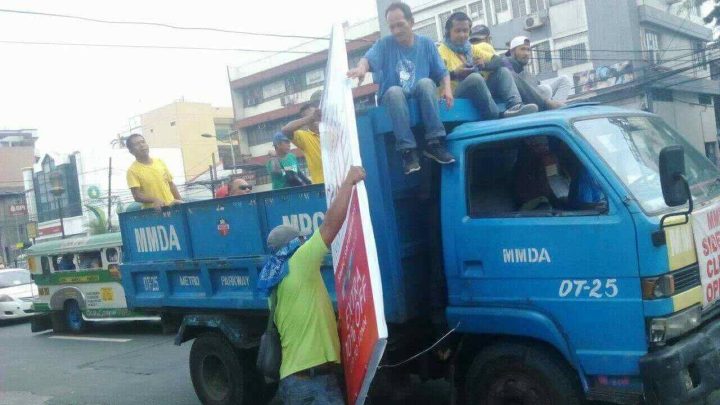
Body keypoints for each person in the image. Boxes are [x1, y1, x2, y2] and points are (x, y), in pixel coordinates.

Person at [258, 166, 367, 405]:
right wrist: (348, 181)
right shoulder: (298, 261)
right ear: (294, 244)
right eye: (301, 240)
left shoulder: (274, 280)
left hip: (297, 381)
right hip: (312, 384)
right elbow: (330, 226)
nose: (304, 242)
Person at [347, 1, 455, 175]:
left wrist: (447, 90)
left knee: (427, 82)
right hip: (393, 97)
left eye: (400, 25)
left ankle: (434, 143)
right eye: (392, 27)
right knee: (395, 91)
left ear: (411, 22)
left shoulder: (426, 43)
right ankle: (407, 151)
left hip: (418, 93)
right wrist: (361, 69)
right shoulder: (385, 44)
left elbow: (442, 71)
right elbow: (367, 59)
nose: (396, 31)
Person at [437, 13, 537, 120]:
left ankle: (515, 106)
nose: (462, 35)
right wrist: (456, 74)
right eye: (458, 31)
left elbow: (500, 61)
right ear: (448, 32)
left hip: (480, 91)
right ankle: (495, 115)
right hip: (454, 96)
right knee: (475, 78)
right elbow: (435, 78)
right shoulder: (440, 52)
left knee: (502, 71)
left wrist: (484, 65)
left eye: (465, 31)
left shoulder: (469, 48)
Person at [504, 36, 572, 104]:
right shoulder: (506, 63)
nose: (526, 53)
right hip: (526, 99)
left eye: (528, 50)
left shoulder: (521, 66)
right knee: (546, 90)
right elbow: (516, 83)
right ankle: (554, 106)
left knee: (564, 80)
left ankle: (556, 105)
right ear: (512, 52)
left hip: (536, 95)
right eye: (522, 49)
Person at [125, 133, 183, 210]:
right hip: (153, 213)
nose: (142, 145)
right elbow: (137, 196)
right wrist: (154, 200)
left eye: (143, 142)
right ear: (131, 151)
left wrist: (182, 204)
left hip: (172, 208)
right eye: (137, 144)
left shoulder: (159, 162)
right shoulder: (132, 171)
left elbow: (171, 185)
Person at [281, 104, 324, 184]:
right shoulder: (304, 137)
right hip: (321, 186)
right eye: (313, 117)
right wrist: (311, 118)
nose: (317, 119)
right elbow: (285, 130)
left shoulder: (330, 131)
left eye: (318, 115)